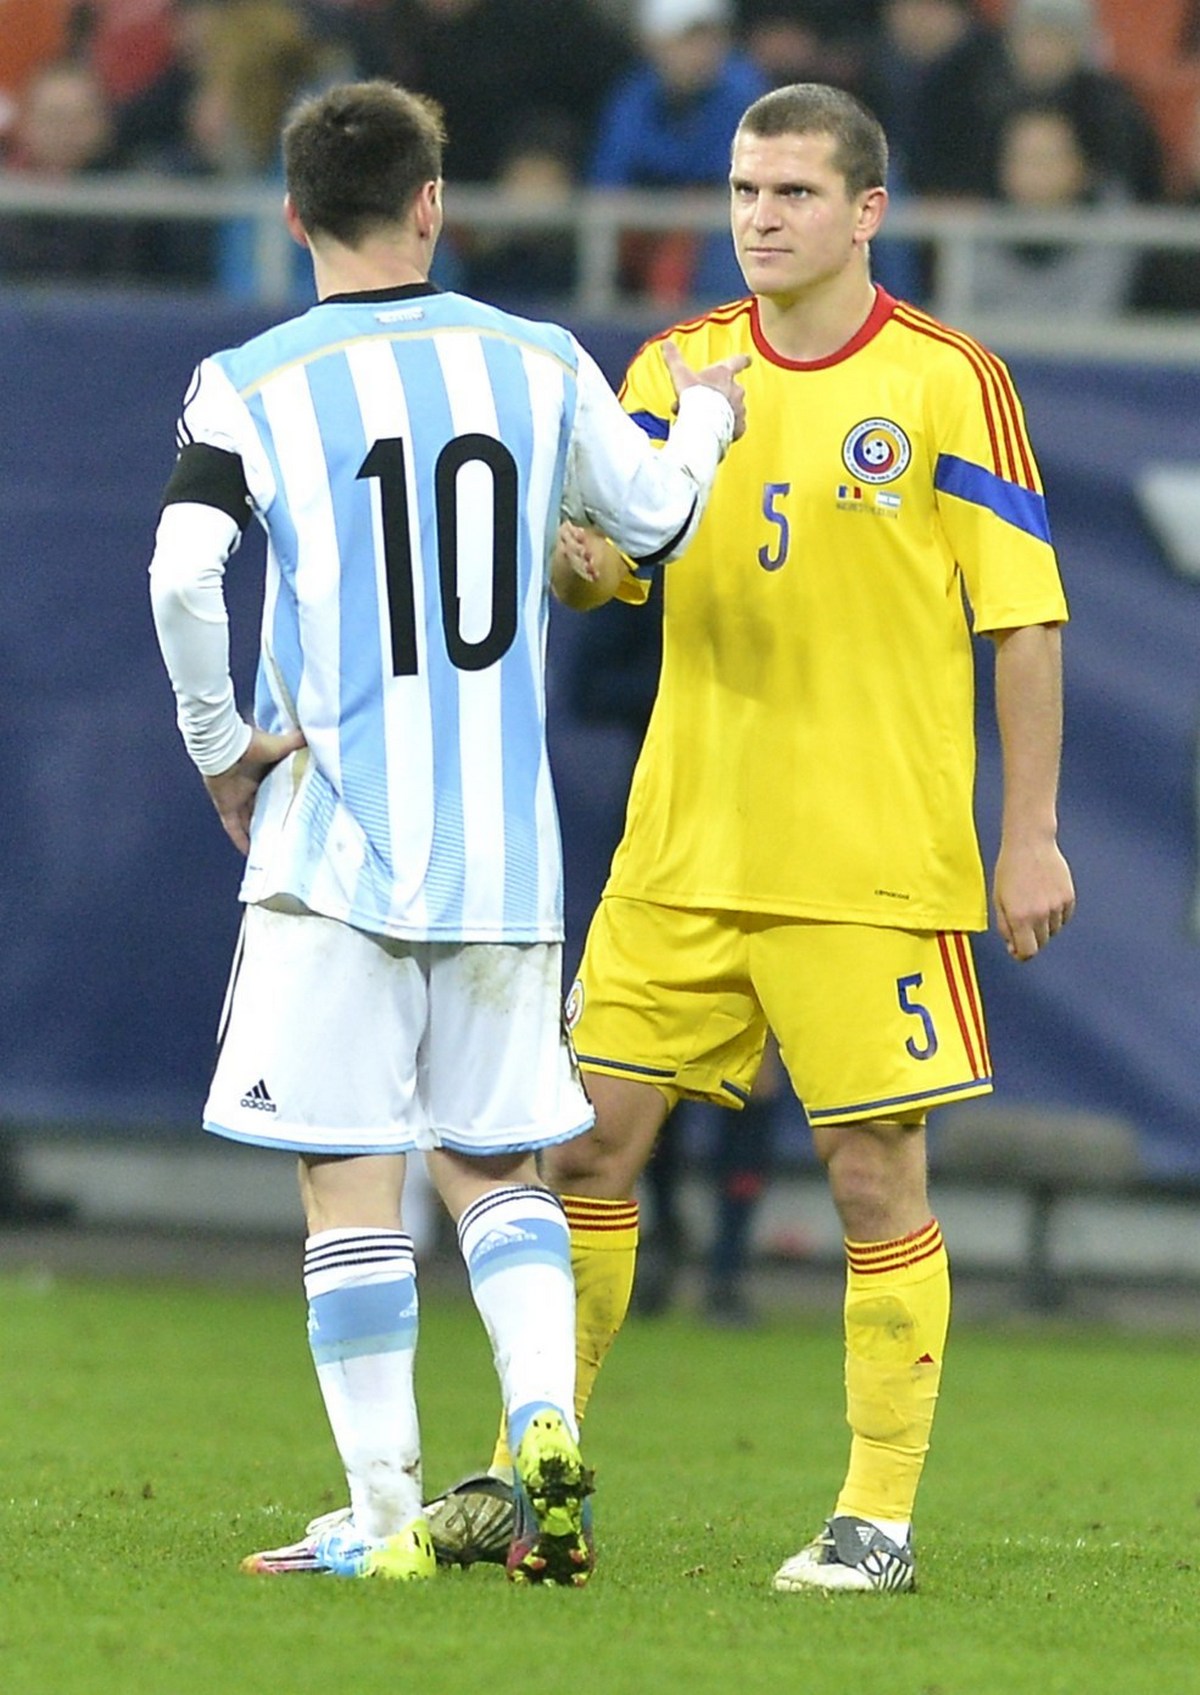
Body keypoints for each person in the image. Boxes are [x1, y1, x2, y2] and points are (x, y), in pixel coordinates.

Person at [426, 79, 1075, 1593]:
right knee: (583, 1144)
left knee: (869, 1176)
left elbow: (1026, 623)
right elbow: (614, 574)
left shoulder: (947, 380)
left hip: (870, 858)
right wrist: (579, 558)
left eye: (791, 193)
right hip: (683, 848)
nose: (760, 218)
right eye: (742, 191)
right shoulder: (676, 364)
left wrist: (1028, 832)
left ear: (866, 211)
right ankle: (544, 1462)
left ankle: (877, 1512)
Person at [147, 77, 747, 1587]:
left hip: (334, 843)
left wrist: (224, 747)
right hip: (502, 851)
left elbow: (179, 573)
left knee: (350, 1174)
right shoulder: (533, 357)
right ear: (433, 203)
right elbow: (661, 520)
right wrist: (717, 419)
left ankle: (378, 1514)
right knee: (499, 1162)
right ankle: (541, 1419)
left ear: (291, 218)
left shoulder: (250, 380)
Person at [966, 98, 1138, 317]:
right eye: (1025, 157)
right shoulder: (974, 231)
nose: (1037, 172)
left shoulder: (1116, 231)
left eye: (1049, 157)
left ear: (1082, 165)